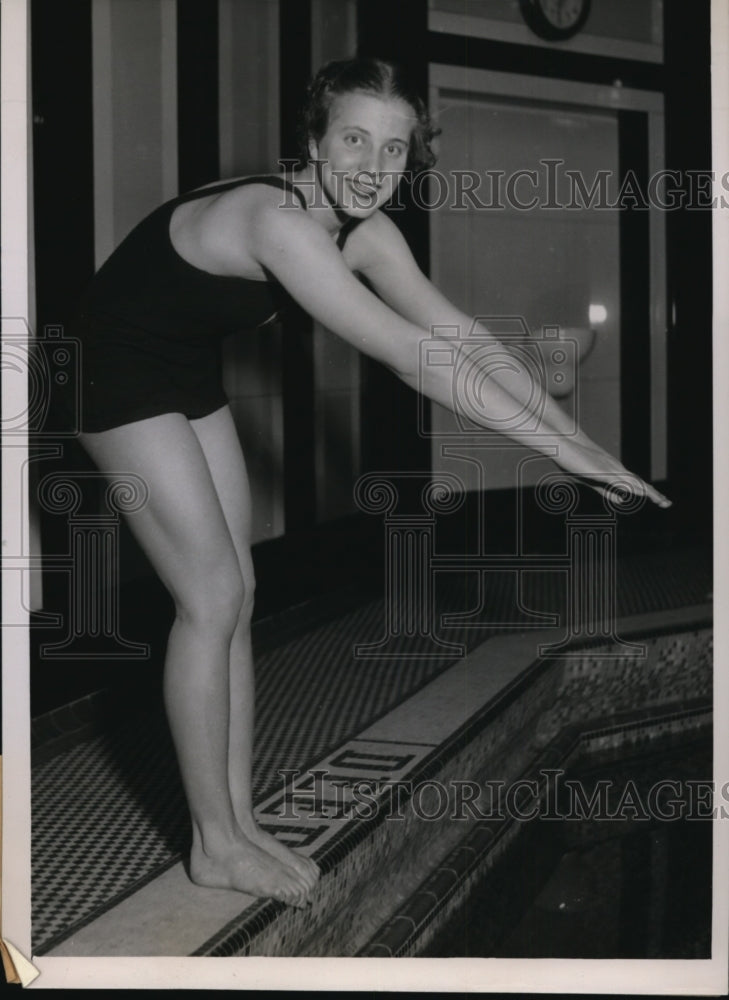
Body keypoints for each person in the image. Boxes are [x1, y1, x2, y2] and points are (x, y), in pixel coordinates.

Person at [68, 58, 670, 909]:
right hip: (113, 373)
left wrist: (586, 448)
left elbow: (462, 337)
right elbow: (410, 359)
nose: (371, 166)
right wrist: (570, 459)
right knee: (207, 598)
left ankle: (236, 826)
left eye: (393, 149)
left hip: (183, 367)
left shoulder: (369, 231)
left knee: (237, 587)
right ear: (312, 141)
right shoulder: (277, 222)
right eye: (352, 138)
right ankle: (214, 845)